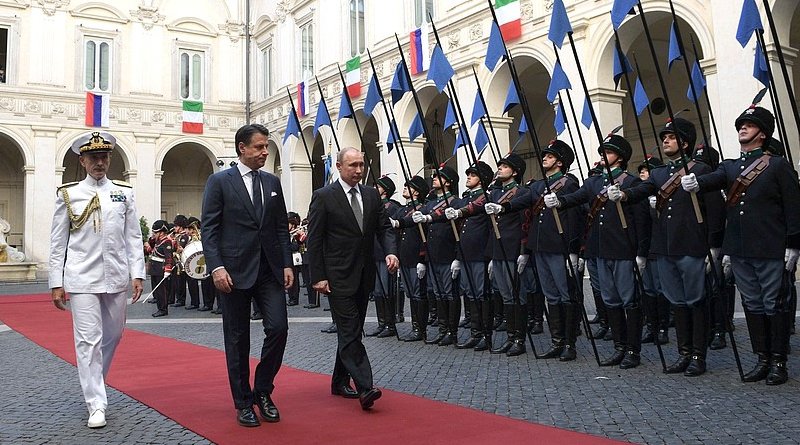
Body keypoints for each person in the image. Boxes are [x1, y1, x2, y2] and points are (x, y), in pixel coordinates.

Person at [681, 105, 800, 385]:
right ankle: (762, 359)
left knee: (774, 304)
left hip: (769, 246)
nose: (742, 128)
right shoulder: (731, 166)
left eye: (749, 124)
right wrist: (695, 182)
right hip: (739, 247)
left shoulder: (777, 165)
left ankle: (779, 362)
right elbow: (715, 179)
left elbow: (793, 207)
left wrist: (793, 245)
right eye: (741, 125)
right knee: (752, 303)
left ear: (763, 133)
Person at [611, 118, 725, 376]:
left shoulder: (701, 170)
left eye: (671, 137)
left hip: (693, 244)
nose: (665, 140)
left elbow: (715, 210)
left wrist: (714, 245)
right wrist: (624, 195)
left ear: (684, 143)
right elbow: (642, 190)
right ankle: (684, 353)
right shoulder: (660, 173)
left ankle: (698, 355)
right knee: (677, 301)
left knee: (696, 301)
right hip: (666, 246)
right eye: (664, 137)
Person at [49, 131, 146, 429]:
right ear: (83, 160)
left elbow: (133, 236)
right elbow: (57, 242)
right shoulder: (69, 193)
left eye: (103, 157)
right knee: (88, 341)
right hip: (80, 278)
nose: (99, 162)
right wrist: (56, 281)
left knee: (114, 335)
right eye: (93, 157)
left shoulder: (123, 192)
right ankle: (96, 402)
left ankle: (96, 383)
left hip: (116, 276)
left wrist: (137, 273)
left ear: (109, 159)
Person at [201, 124, 294, 427]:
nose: (265, 152)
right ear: (242, 147)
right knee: (237, 339)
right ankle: (243, 402)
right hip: (232, 272)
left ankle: (263, 390)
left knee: (279, 328)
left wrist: (287, 264)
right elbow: (210, 229)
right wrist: (216, 267)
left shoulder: (272, 182)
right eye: (259, 147)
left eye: (266, 147)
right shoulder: (219, 182)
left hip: (269, 270)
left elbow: (280, 227)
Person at [546, 134, 651, 369]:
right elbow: (578, 197)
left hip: (623, 249)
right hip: (600, 249)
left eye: (609, 151)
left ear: (620, 157)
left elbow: (643, 221)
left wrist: (641, 253)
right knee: (610, 300)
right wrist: (559, 201)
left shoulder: (631, 182)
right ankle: (619, 347)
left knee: (629, 300)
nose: (603, 155)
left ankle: (633, 350)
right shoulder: (594, 183)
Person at [307, 147, 399, 410]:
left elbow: (384, 228)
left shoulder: (371, 194)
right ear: (338, 166)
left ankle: (338, 381)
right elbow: (314, 240)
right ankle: (366, 387)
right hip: (336, 277)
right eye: (352, 166)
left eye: (361, 165)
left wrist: (391, 252)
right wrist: (319, 276)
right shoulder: (324, 196)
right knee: (349, 330)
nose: (358, 170)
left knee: (352, 331)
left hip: (364, 275)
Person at [145, 219, 175, 317]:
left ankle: (163, 309)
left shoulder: (167, 242)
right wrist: (153, 238)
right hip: (155, 269)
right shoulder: (158, 241)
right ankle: (159, 307)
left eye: (156, 232)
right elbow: (151, 247)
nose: (154, 234)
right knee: (157, 291)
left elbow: (169, 257)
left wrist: (167, 270)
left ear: (162, 232)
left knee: (162, 291)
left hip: (161, 269)